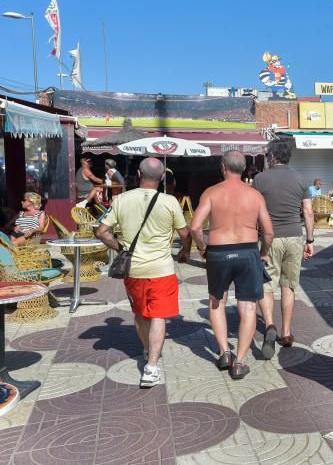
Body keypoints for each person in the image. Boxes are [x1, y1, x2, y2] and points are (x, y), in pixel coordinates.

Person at [96, 158, 191, 388]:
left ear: (138, 175)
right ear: (161, 178)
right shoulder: (170, 202)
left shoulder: (122, 200)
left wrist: (120, 248)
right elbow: (185, 233)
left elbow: (102, 232)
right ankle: (151, 367)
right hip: (162, 269)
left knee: (140, 315)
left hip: (134, 269)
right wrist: (185, 252)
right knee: (158, 315)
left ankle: (148, 350)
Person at [190, 151, 275, 380]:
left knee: (217, 300)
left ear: (222, 167)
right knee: (247, 307)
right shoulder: (255, 195)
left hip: (218, 251)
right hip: (248, 252)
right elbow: (268, 232)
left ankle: (224, 353)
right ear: (246, 169)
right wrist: (263, 254)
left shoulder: (211, 192)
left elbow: (195, 227)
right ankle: (240, 362)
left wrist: (202, 249)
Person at [253, 140, 315, 358]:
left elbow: (254, 211)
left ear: (272, 157)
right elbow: (308, 212)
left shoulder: (259, 179)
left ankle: (270, 324)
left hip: (270, 239)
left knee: (267, 284)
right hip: (295, 237)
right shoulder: (301, 179)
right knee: (288, 286)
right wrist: (310, 240)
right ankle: (287, 332)